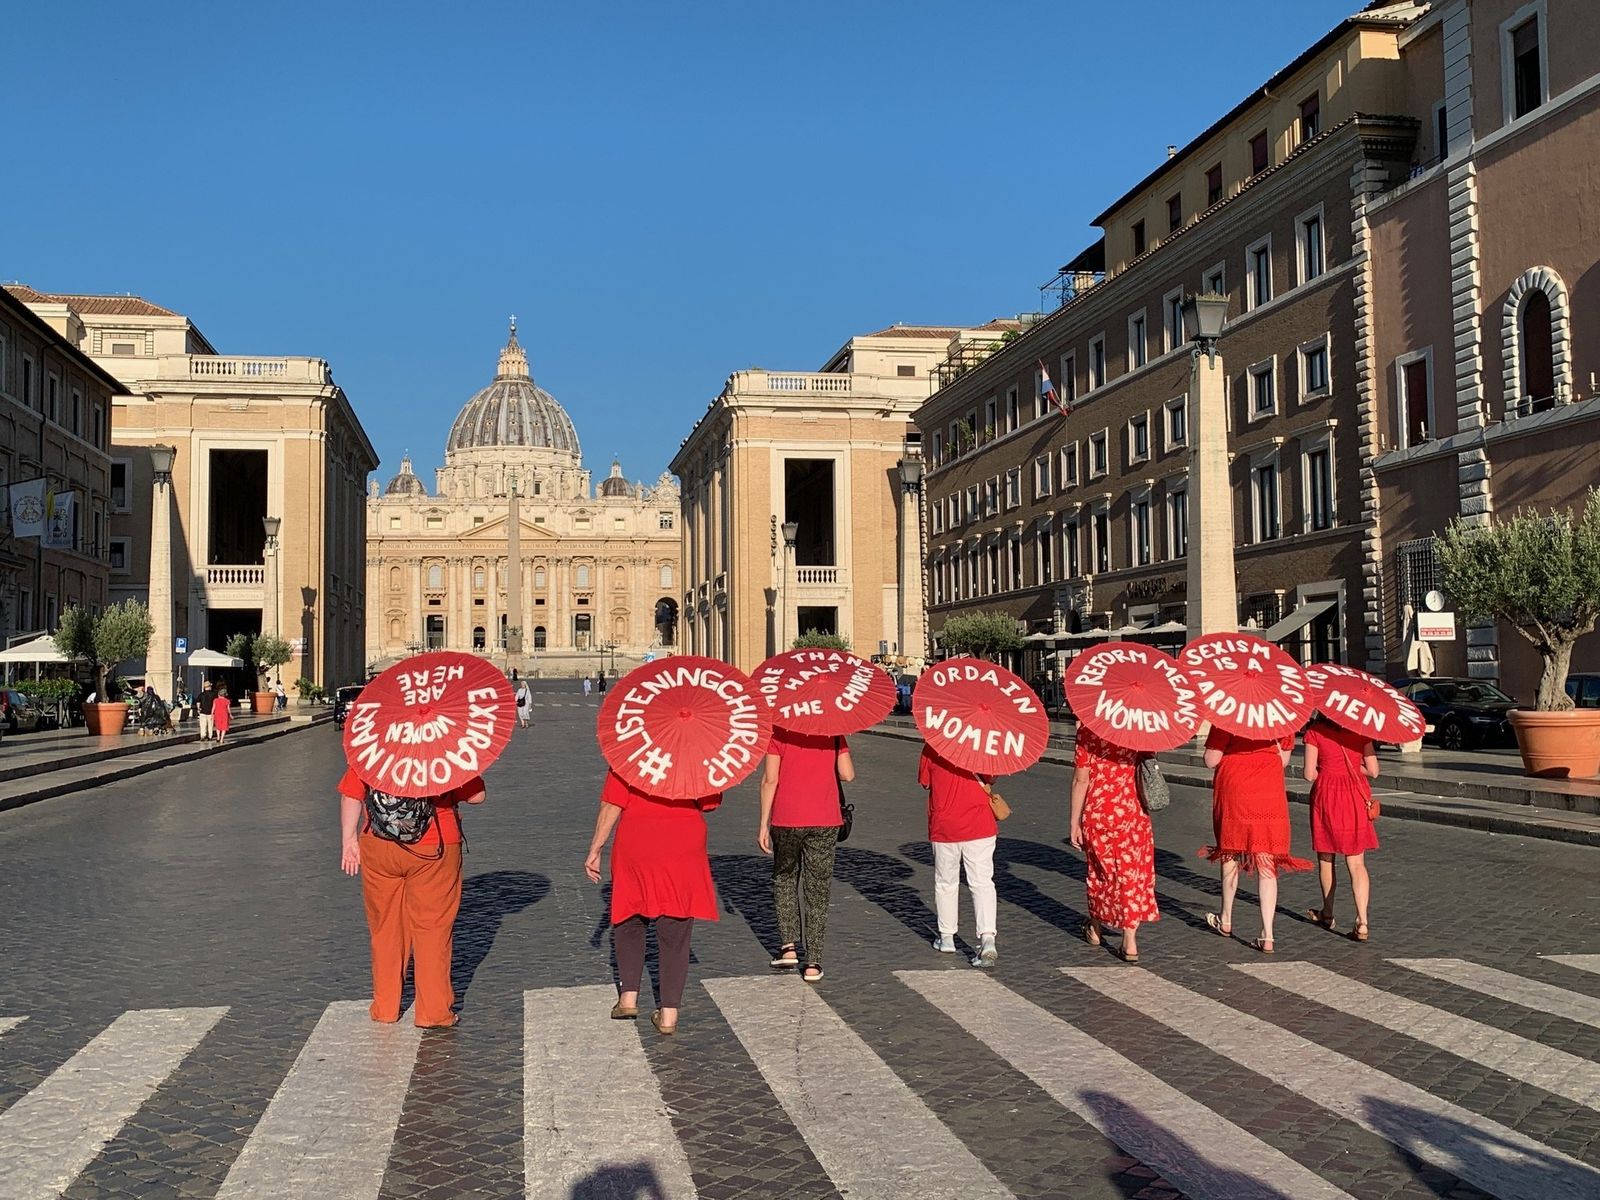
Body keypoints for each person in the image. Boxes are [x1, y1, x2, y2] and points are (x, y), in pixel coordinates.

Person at [339, 768, 485, 1027]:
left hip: (379, 843)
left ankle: (385, 1007)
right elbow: (477, 797)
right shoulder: (443, 751)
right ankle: (434, 1012)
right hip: (434, 845)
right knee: (433, 927)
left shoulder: (375, 747)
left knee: (385, 927)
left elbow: (351, 795)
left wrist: (349, 840)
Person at [584, 770, 720, 1034]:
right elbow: (709, 803)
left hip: (638, 838)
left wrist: (596, 848)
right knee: (676, 928)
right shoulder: (697, 758)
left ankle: (628, 998)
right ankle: (668, 1015)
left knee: (629, 916)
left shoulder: (633, 752)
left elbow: (612, 802)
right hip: (684, 841)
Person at [1200, 726, 1310, 953]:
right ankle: (1268, 934)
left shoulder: (1228, 714)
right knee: (1265, 858)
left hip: (1235, 786)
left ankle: (1226, 918)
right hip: (1268, 788)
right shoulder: (1281, 717)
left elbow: (1211, 760)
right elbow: (1283, 760)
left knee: (1230, 851)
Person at [758, 729, 853, 982]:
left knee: (785, 878)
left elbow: (770, 780)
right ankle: (813, 961)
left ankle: (789, 947)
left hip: (786, 818)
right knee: (818, 889)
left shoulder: (778, 733)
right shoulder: (833, 734)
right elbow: (847, 774)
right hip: (825, 819)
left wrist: (763, 824)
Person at [1069, 727, 1159, 962]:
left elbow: (1081, 779)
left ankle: (1096, 928)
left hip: (1099, 811)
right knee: (1131, 874)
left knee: (1100, 872)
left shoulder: (1088, 733)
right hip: (1133, 811)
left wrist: (1074, 822)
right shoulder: (1139, 729)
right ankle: (1129, 939)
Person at [917, 744, 998, 966]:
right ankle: (987, 937)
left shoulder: (933, 746)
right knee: (982, 882)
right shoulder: (983, 743)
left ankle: (946, 937)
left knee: (946, 882)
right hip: (980, 824)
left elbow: (925, 782)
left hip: (945, 825)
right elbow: (990, 778)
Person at [1302, 716, 1380, 942]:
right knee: (1357, 863)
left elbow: (1309, 774)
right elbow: (1373, 771)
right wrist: (1353, 769)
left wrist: (1328, 773)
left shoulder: (1315, 732)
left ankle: (1327, 912)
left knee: (1326, 857)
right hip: (1356, 796)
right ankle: (1362, 921)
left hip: (1327, 795)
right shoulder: (1360, 729)